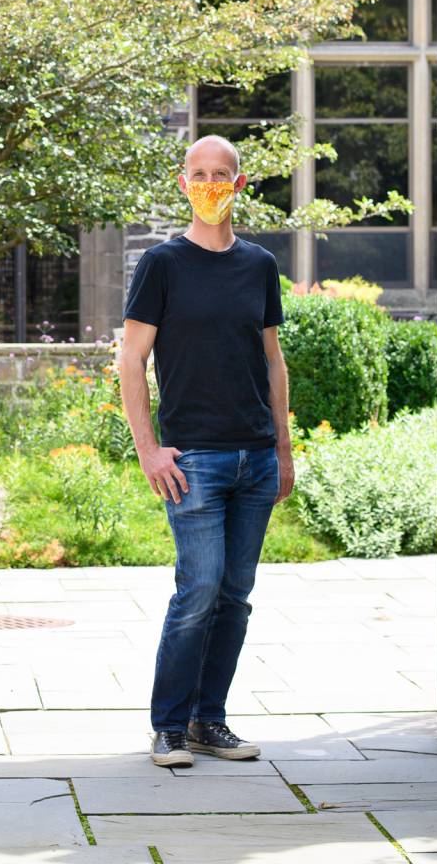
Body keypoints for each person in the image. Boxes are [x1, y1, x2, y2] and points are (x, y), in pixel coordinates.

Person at [117, 135, 292, 768]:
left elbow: (273, 362)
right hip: (192, 460)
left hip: (255, 458)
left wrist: (284, 451)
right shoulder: (163, 264)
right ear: (185, 182)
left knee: (235, 595)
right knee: (198, 588)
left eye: (222, 174)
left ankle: (207, 721)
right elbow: (131, 361)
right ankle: (167, 726)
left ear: (239, 185)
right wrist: (149, 451)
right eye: (200, 173)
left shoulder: (259, 265)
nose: (211, 183)